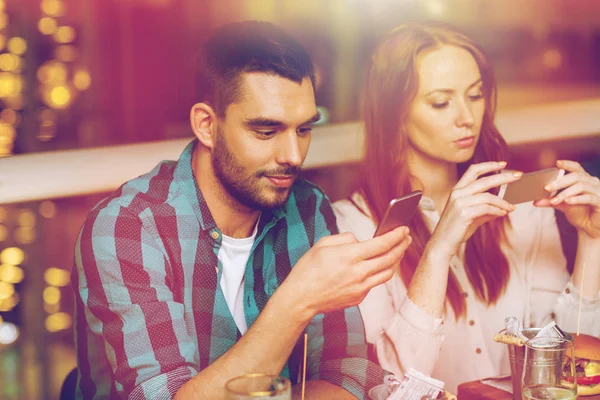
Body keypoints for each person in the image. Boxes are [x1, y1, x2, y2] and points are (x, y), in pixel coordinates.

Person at [72, 21, 412, 400]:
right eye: (266, 132)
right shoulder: (127, 228)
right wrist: (297, 301)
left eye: (303, 130)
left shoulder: (307, 207)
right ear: (206, 125)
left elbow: (348, 375)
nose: (293, 156)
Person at [333, 21, 600, 392]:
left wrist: (592, 239)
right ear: (394, 112)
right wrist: (439, 249)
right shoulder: (353, 225)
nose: (466, 117)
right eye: (441, 102)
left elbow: (567, 363)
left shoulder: (521, 202)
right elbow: (391, 388)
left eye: (475, 96)